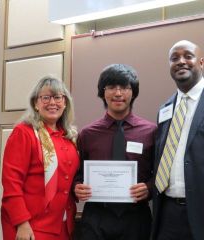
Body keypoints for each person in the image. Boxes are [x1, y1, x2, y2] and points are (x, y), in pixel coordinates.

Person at [74, 64, 157, 240]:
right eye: (111, 87)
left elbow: (160, 174)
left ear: (133, 92)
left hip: (136, 218)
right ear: (103, 92)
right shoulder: (87, 134)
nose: (118, 93)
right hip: (96, 217)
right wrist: (77, 187)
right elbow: (77, 173)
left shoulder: (151, 132)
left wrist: (149, 189)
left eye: (125, 87)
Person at [1, 76, 79, 240]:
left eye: (58, 97)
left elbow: (69, 180)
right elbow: (11, 183)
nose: (52, 102)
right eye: (45, 97)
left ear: (65, 103)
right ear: (35, 104)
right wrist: (22, 222)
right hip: (32, 227)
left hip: (63, 226)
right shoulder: (24, 132)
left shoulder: (69, 138)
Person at [152, 40, 204, 240]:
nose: (181, 62)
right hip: (167, 213)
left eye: (188, 56)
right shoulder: (165, 108)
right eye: (174, 58)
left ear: (201, 62)